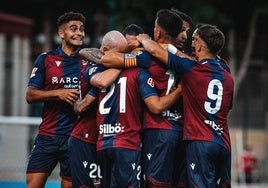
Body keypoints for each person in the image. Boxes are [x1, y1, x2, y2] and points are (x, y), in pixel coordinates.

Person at [79, 9, 185, 188]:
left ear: (157, 32)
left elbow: (108, 59)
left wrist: (135, 46)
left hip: (152, 131)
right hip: (180, 130)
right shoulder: (186, 59)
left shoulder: (145, 58)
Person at [136, 23, 234, 188]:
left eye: (194, 39)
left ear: (200, 45)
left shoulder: (191, 70)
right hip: (223, 144)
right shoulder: (228, 75)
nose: (192, 44)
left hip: (200, 141)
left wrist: (144, 38)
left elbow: (154, 50)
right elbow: (227, 110)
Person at [25, 11, 86, 188]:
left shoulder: (88, 62)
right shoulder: (46, 59)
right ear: (61, 34)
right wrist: (59, 93)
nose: (79, 33)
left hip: (75, 138)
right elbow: (30, 95)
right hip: (47, 136)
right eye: (73, 29)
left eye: (82, 29)